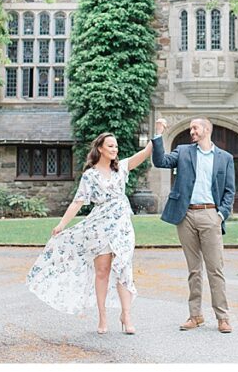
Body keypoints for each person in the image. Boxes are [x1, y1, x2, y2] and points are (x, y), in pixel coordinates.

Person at [26, 132, 152, 335]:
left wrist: (159, 131)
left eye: (116, 146)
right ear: (100, 148)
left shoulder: (122, 168)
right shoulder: (90, 175)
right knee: (102, 271)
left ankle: (126, 315)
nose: (115, 149)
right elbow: (78, 201)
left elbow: (147, 152)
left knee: (123, 269)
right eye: (110, 146)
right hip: (99, 225)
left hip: (122, 225)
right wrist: (61, 224)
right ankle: (102, 316)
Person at [151, 117, 235, 334]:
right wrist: (159, 133)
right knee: (194, 270)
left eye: (195, 128)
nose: (191, 132)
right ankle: (195, 315)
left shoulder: (225, 158)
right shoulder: (183, 151)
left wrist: (220, 215)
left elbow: (229, 191)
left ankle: (223, 318)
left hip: (210, 216)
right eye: (190, 129)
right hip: (186, 215)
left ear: (206, 129)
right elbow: (160, 161)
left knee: (215, 269)